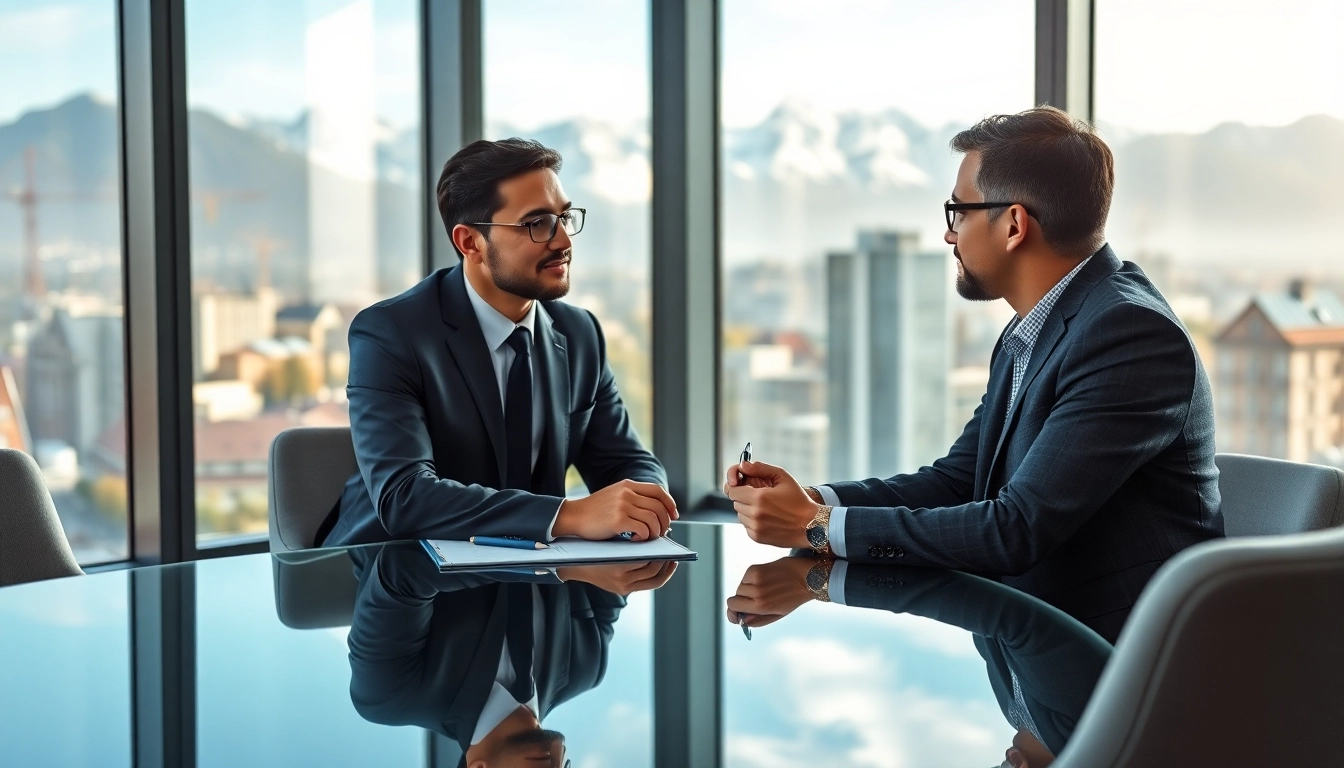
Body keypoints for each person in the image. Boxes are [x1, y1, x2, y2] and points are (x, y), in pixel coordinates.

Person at [724, 107, 1223, 642]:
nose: (948, 234)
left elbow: (1016, 529)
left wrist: (814, 527)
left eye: (957, 211)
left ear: (1014, 225)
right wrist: (815, 502)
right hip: (1037, 647)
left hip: (1126, 662)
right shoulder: (1034, 329)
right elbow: (959, 481)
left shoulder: (1129, 335)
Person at [319, 138, 675, 547]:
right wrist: (569, 515)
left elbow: (626, 462)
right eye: (537, 223)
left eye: (563, 217)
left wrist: (643, 507)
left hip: (534, 572)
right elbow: (405, 497)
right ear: (470, 243)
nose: (563, 241)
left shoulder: (580, 333)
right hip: (394, 568)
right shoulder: (390, 333)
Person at [725, 554, 1113, 768]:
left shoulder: (1015, 712)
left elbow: (973, 572)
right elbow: (998, 612)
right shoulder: (1086, 726)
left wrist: (817, 550)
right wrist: (818, 579)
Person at [347, 542, 676, 768]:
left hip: (419, 478)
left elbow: (401, 569)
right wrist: (644, 532)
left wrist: (558, 566)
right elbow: (621, 551)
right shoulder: (585, 666)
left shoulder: (391, 696)